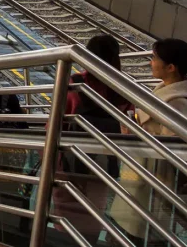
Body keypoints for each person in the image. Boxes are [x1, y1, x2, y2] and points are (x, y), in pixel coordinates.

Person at [111, 38, 187, 242]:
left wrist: (136, 132)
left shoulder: (177, 102)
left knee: (140, 235)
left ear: (171, 67)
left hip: (154, 182)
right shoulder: (166, 90)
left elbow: (177, 148)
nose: (151, 62)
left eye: (155, 58)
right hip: (144, 177)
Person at [55, 35, 129, 243]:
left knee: (66, 212)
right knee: (95, 209)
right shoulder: (123, 87)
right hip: (104, 162)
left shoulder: (75, 83)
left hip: (71, 159)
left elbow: (57, 119)